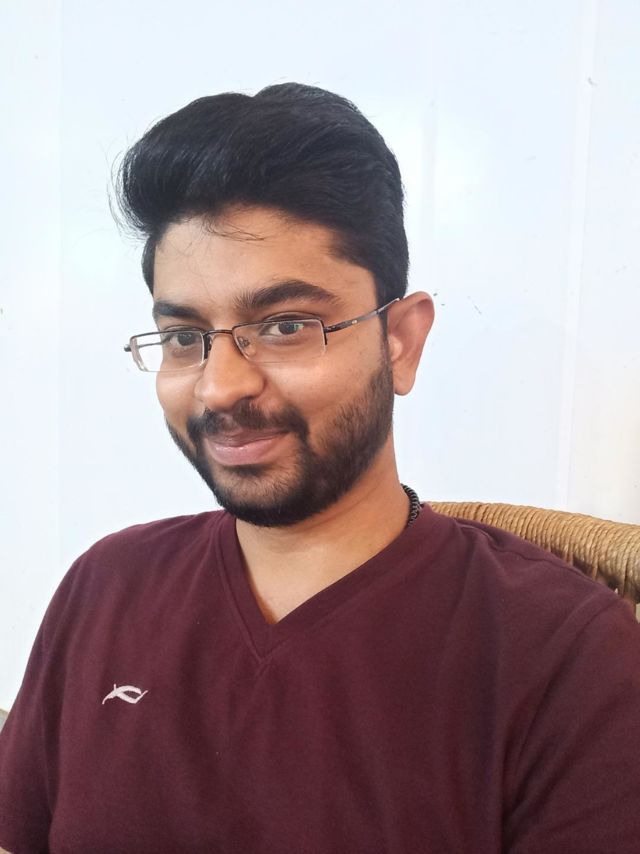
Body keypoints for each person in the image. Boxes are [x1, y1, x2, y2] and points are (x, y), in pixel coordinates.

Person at [0, 82, 639, 854]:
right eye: (184, 337)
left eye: (285, 325)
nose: (221, 387)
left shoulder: (565, 656)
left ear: (400, 341)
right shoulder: (106, 588)